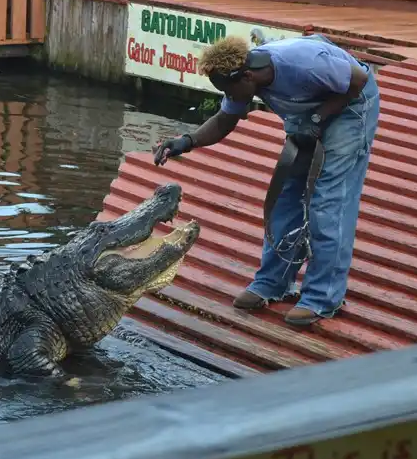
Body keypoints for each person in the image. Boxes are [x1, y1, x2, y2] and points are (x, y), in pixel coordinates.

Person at [152, 34, 380, 327]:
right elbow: (224, 120)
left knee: (328, 201)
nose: (234, 99)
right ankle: (273, 283)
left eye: (233, 92)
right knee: (285, 196)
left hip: (350, 106)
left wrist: (319, 118)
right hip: (309, 109)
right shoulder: (240, 78)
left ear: (247, 76)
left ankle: (323, 298)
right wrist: (186, 141)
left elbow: (359, 79)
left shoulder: (304, 63)